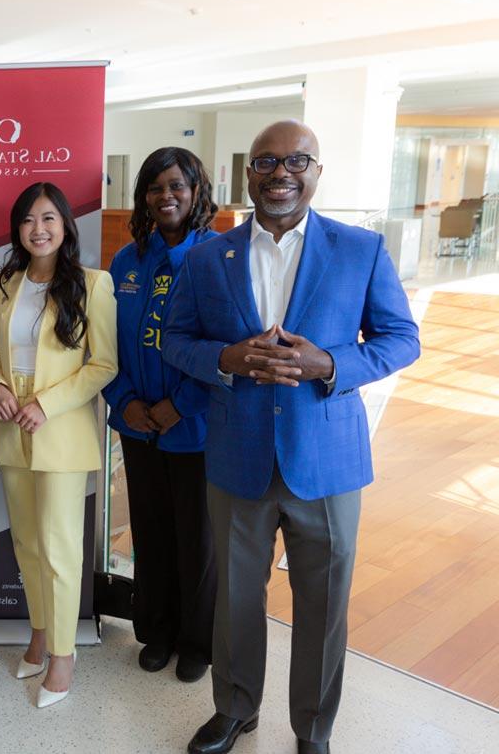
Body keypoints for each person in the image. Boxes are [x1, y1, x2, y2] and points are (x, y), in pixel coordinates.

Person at [163, 120, 420, 754]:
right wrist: (227, 359)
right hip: (237, 455)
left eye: (297, 161)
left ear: (316, 172)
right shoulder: (205, 256)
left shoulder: (360, 250)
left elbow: (401, 338)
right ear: (247, 174)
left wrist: (329, 364)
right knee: (234, 600)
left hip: (327, 462)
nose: (282, 173)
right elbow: (175, 340)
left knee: (325, 609)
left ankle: (313, 730)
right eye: (267, 162)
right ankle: (235, 710)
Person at [0, 182, 118, 708]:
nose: (39, 229)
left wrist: (47, 404)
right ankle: (39, 631)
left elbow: (103, 365)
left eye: (48, 219)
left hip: (59, 433)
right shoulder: (4, 282)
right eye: (29, 220)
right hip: (12, 429)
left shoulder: (92, 283)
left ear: (64, 226)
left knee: (60, 548)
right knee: (27, 544)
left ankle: (63, 654)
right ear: (18, 229)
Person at [102, 147, 219, 684]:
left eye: (176, 186)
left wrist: (179, 405)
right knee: (150, 532)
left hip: (194, 427)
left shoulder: (218, 256)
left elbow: (227, 347)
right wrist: (125, 400)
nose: (165, 196)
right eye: (154, 187)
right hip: (137, 423)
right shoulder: (128, 261)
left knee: (197, 538)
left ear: (196, 191)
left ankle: (199, 640)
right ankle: (158, 629)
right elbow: (106, 345)